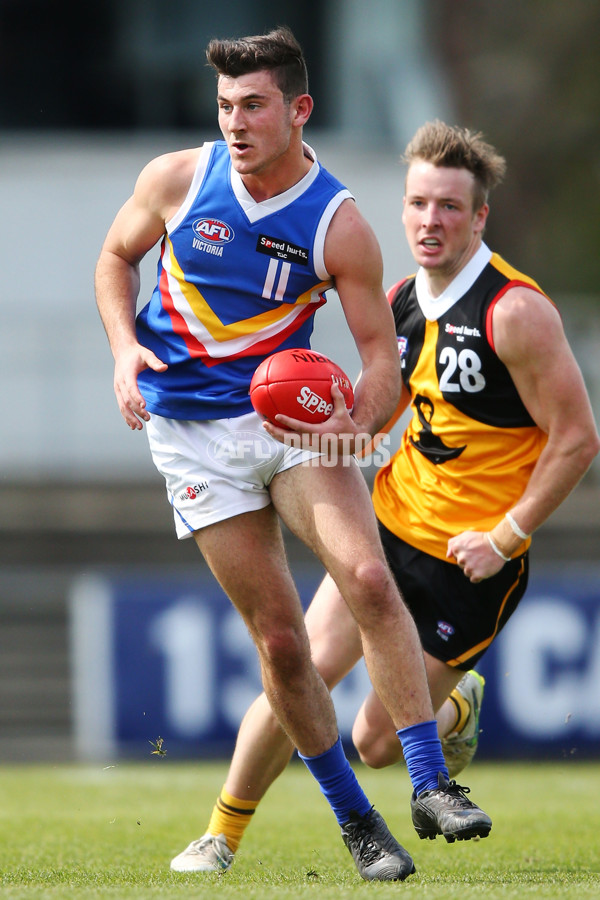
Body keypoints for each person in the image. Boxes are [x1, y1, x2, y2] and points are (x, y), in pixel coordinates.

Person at [95, 31, 492, 883]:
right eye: (225, 107)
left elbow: (381, 359)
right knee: (282, 646)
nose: (235, 124)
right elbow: (115, 259)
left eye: (254, 105)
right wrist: (124, 351)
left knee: (370, 578)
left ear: (299, 109)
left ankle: (431, 784)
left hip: (288, 425)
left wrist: (355, 422)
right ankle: (358, 823)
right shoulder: (177, 179)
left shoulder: (337, 224)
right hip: (190, 436)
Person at [169, 119, 600, 874]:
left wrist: (506, 536)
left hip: (471, 562)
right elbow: (372, 426)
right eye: (418, 203)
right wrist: (307, 439)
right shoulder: (401, 301)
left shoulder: (514, 312)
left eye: (450, 207)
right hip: (392, 527)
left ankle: (458, 707)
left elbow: (577, 438)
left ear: (480, 218)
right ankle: (221, 837)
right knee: (294, 666)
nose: (430, 221)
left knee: (373, 743)